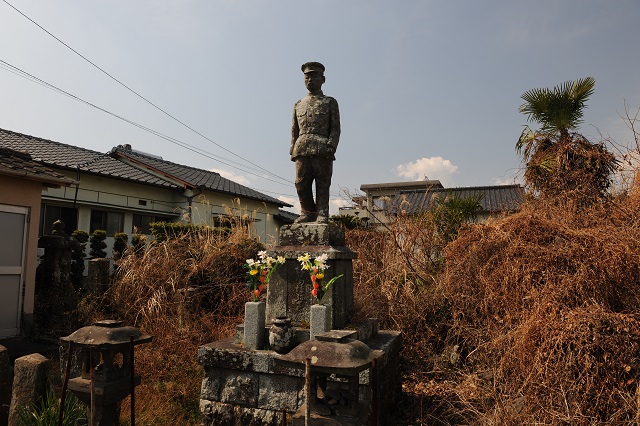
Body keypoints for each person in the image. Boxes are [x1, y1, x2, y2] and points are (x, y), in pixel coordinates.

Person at [290, 61, 341, 224]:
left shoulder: (329, 102)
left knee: (322, 183)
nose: (310, 80)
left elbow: (335, 128)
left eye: (314, 76)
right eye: (307, 77)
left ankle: (322, 213)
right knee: (301, 183)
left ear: (323, 79)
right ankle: (307, 212)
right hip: (302, 147)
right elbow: (294, 129)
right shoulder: (298, 104)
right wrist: (293, 148)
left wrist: (331, 145)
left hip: (322, 147)